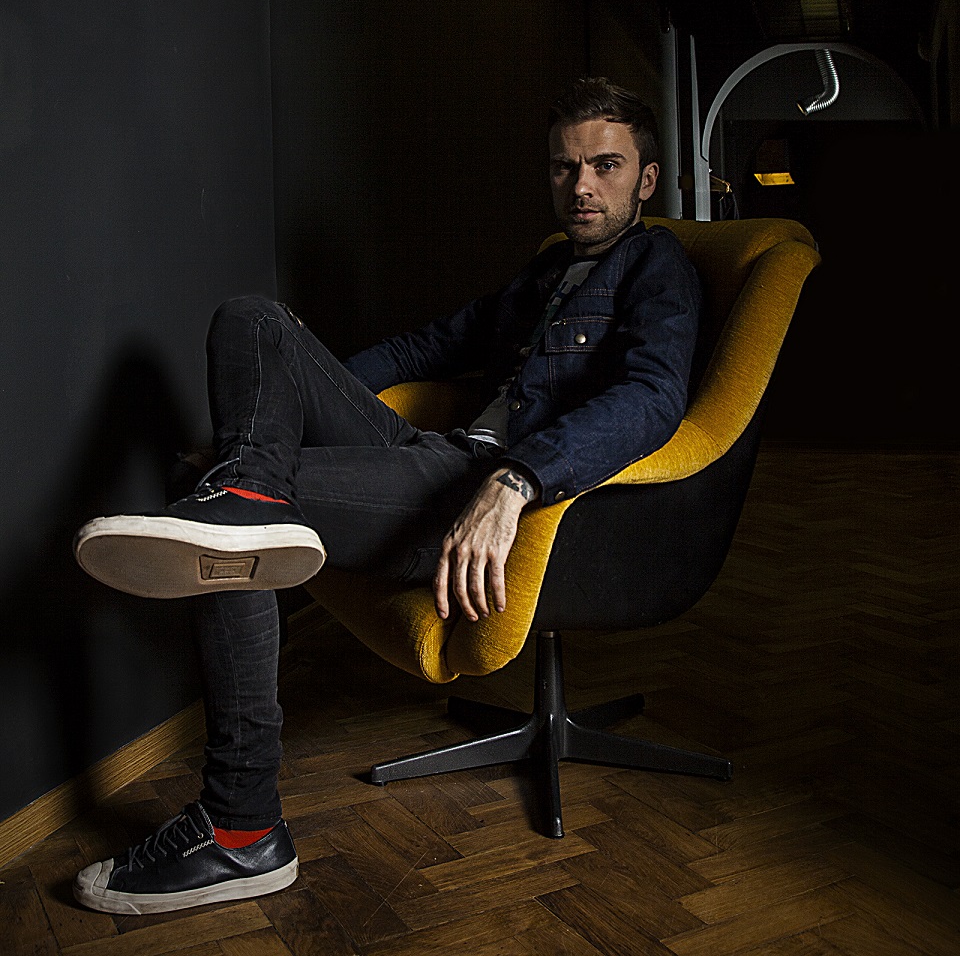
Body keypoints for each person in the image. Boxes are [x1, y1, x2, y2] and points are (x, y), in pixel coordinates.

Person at [71, 77, 702, 914]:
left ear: (646, 179)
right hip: (429, 455)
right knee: (254, 320)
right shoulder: (548, 271)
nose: (580, 186)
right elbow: (423, 348)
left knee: (228, 519)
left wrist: (516, 480)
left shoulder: (660, 268)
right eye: (563, 167)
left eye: (605, 166)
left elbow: (652, 401)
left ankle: (239, 824)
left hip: (472, 492)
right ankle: (244, 488)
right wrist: (265, 428)